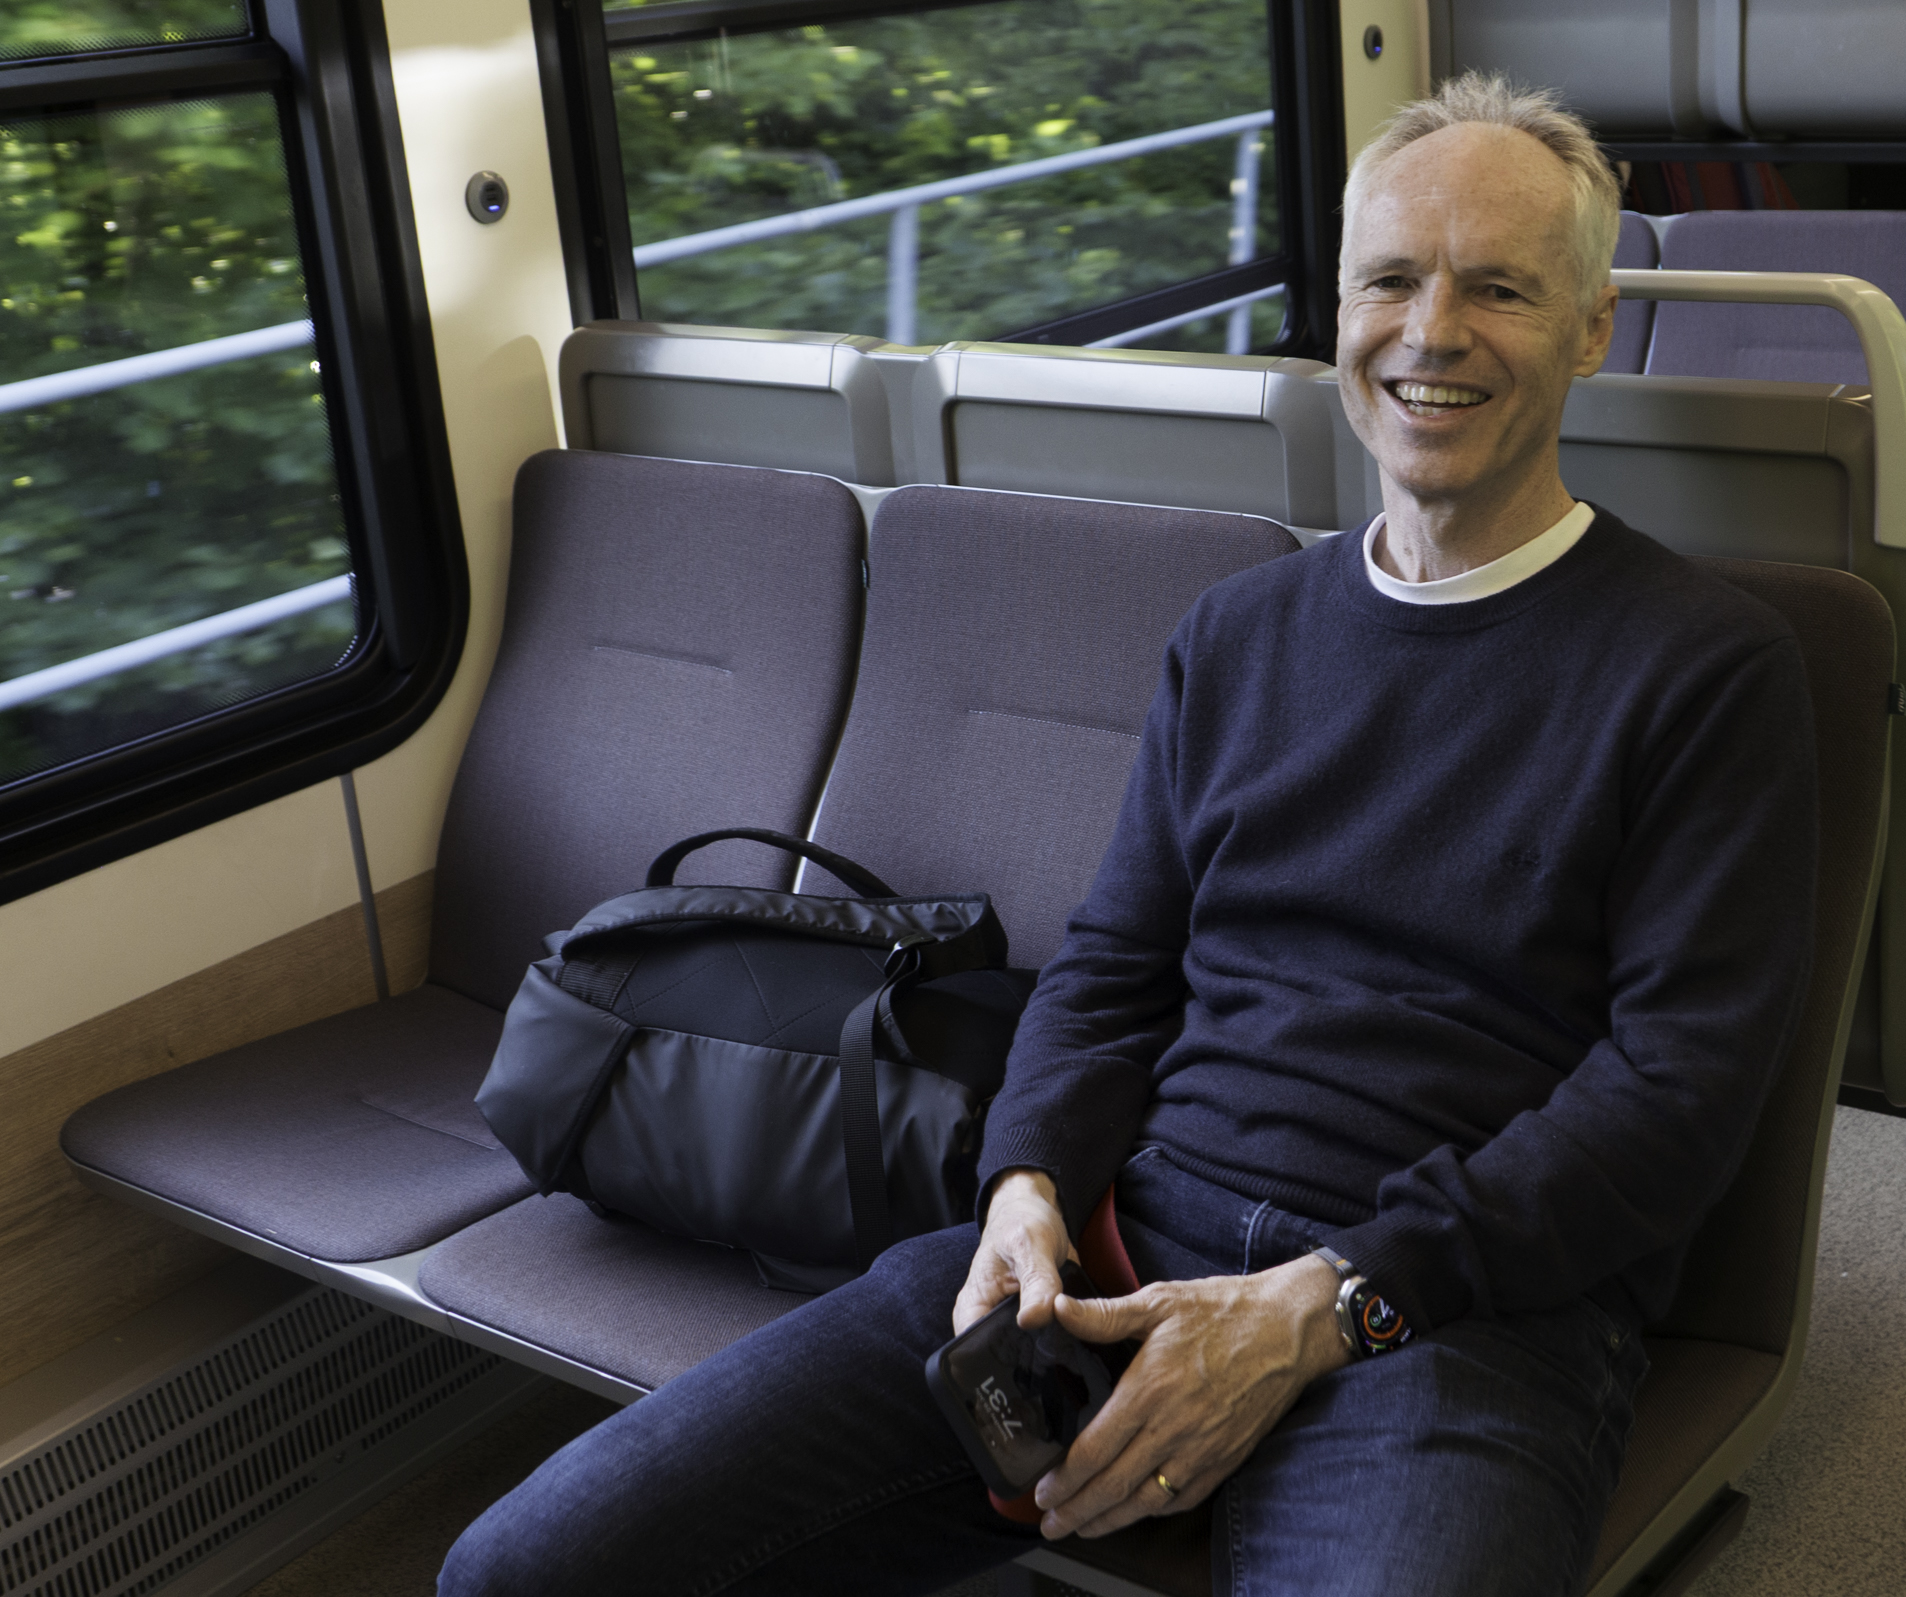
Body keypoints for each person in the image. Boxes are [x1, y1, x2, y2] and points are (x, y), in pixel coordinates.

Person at [440, 73, 1817, 1597]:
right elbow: (1110, 965)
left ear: (1592, 328)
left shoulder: (1709, 668)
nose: (1433, 331)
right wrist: (1025, 1183)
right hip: (1126, 1227)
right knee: (524, 1570)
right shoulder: (1237, 635)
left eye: (1500, 286)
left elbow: (1676, 1096)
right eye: (1391, 279)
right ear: (1340, 309)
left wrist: (1320, 1304)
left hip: (1453, 1309)